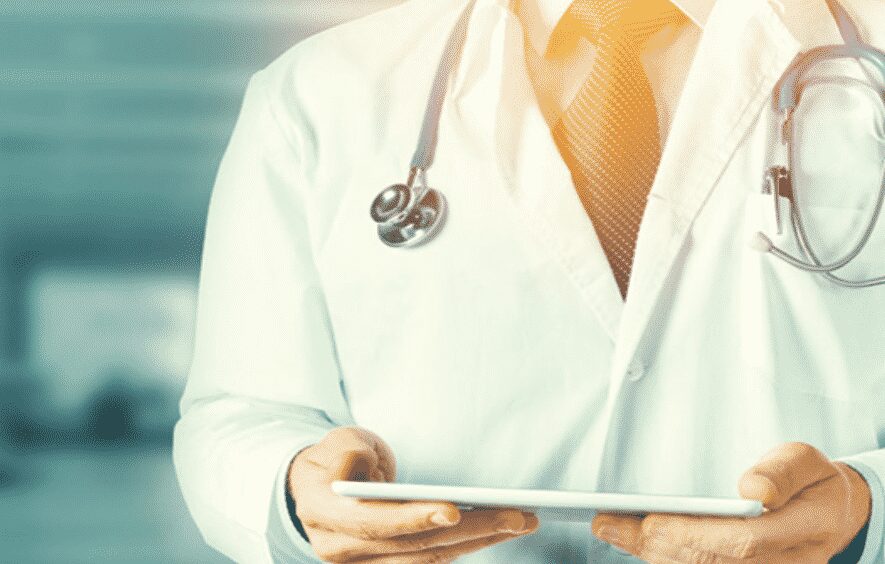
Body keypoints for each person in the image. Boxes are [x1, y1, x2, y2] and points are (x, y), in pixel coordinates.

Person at [173, 0, 885, 562]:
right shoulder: (320, 91)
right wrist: (294, 493)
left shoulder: (868, 62)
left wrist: (865, 510)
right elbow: (240, 412)